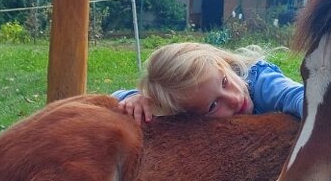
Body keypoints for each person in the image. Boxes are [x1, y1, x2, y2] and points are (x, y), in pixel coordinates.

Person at [112, 43, 304, 124]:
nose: (234, 99)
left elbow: (294, 95)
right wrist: (136, 98)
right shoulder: (181, 103)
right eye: (213, 105)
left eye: (225, 82)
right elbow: (115, 97)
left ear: (224, 64)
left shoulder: (259, 80)